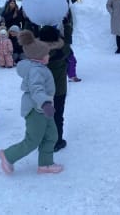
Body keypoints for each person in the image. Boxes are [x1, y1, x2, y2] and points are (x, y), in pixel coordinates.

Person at [0, 30, 63, 174]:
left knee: (51, 135)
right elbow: (36, 89)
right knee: (33, 140)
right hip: (36, 109)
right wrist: (45, 103)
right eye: (46, 54)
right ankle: (8, 155)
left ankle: (45, 164)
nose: (48, 55)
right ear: (39, 57)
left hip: (44, 109)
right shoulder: (36, 71)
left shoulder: (40, 67)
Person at [38, 23, 71, 152]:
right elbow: (66, 40)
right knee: (57, 116)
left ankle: (42, 139)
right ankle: (57, 141)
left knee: (43, 115)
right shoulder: (63, 51)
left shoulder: (36, 52)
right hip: (59, 91)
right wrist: (66, 22)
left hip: (42, 91)